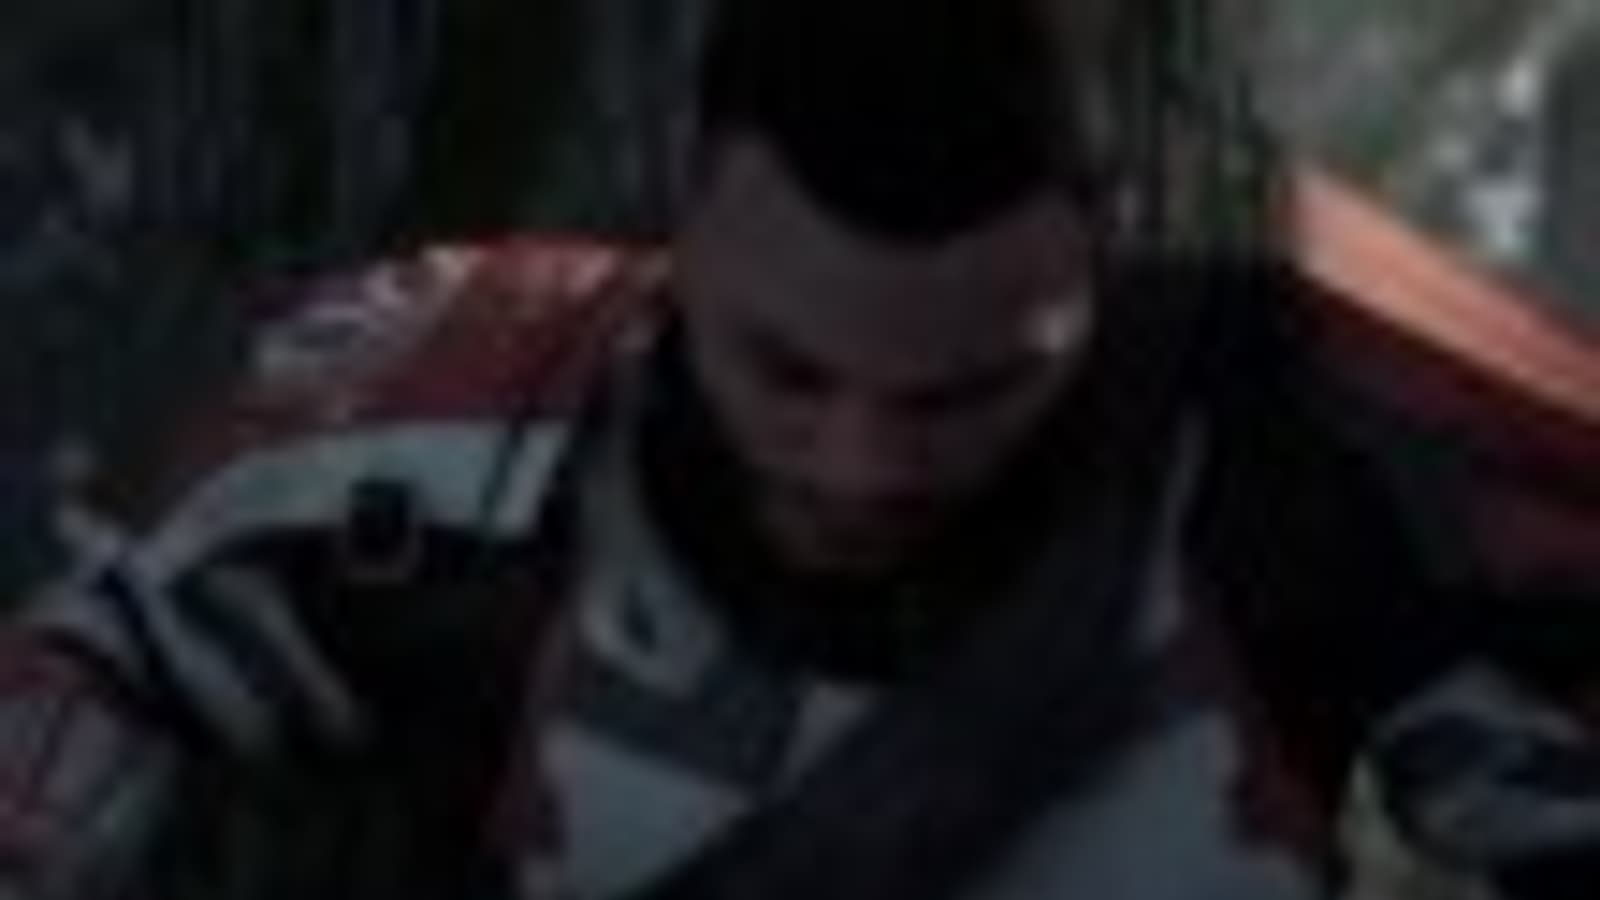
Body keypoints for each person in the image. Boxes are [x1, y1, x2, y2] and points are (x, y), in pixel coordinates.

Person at [0, 1, 1464, 897]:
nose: (864, 466)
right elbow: (99, 658)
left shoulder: (1335, 471)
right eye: (788, 371)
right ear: (681, 238)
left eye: (967, 394)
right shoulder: (442, 445)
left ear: (1106, 266)